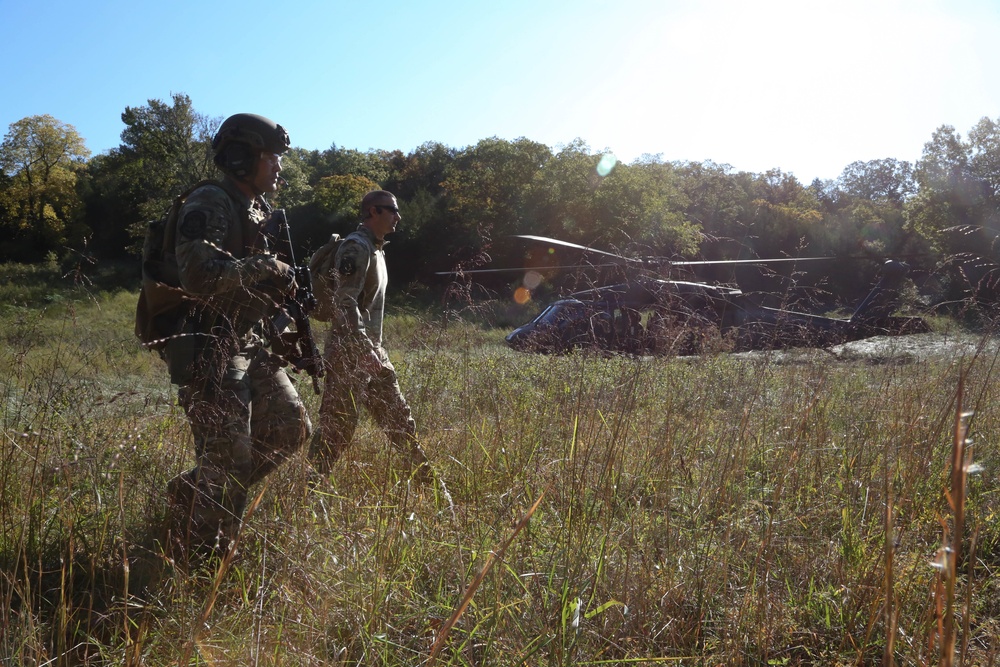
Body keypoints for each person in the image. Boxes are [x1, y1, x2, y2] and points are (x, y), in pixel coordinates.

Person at [161, 113, 311, 563]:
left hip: (246, 342)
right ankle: (203, 563)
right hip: (209, 345)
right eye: (273, 158)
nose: (280, 167)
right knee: (229, 460)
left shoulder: (257, 209)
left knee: (291, 429)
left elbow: (251, 284)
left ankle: (192, 491)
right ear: (244, 156)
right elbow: (198, 276)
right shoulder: (210, 201)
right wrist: (268, 269)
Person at [309, 190, 432, 484]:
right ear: (372, 212)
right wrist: (364, 349)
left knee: (400, 420)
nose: (397, 217)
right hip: (349, 353)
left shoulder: (377, 249)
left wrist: (371, 350)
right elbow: (344, 301)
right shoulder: (355, 247)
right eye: (391, 210)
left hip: (373, 352)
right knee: (336, 429)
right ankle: (309, 490)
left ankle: (433, 490)